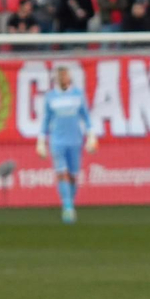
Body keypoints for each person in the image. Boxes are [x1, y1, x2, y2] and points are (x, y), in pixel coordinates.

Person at [36, 65, 97, 223]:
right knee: (61, 173)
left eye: (66, 75)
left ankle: (70, 202)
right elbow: (46, 120)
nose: (63, 78)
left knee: (73, 176)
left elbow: (86, 117)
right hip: (57, 141)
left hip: (75, 140)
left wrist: (91, 135)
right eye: (60, 76)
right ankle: (67, 207)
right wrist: (41, 141)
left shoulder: (78, 95)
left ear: (69, 77)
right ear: (56, 78)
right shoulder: (51, 97)